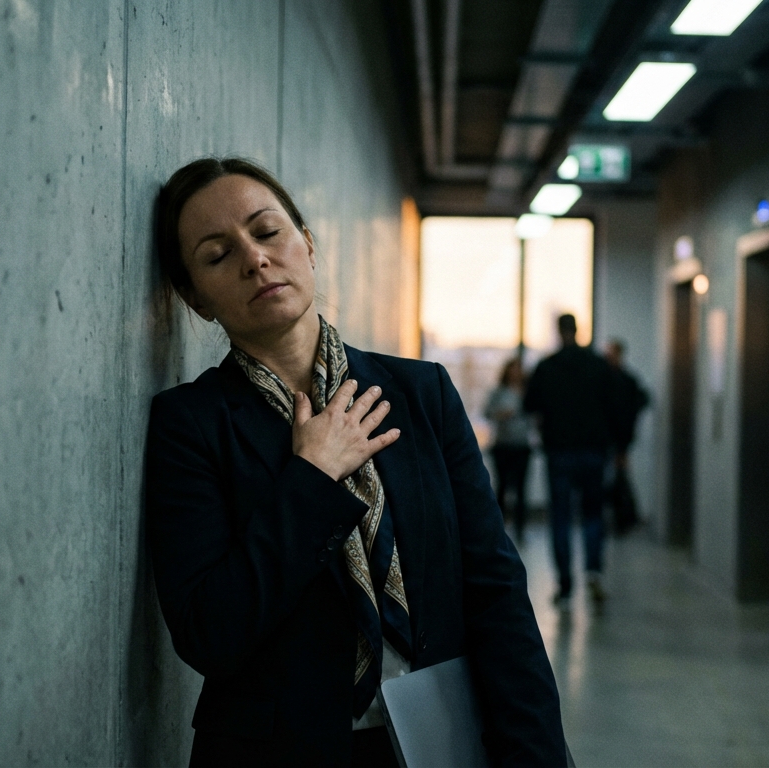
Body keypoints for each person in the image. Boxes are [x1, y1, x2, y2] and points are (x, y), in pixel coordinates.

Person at [145, 157, 567, 767]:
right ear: (196, 298)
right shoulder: (191, 425)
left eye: (267, 233)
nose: (254, 259)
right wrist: (311, 479)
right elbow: (210, 631)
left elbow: (494, 589)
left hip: (439, 740)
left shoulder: (421, 394)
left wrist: (539, 754)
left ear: (307, 245)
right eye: (217, 255)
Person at [523, 314, 615, 607]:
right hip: (593, 451)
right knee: (592, 514)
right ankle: (594, 571)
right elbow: (615, 404)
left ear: (558, 331)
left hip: (559, 451)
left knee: (560, 518)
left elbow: (530, 405)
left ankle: (565, 584)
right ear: (577, 330)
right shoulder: (598, 365)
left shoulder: (547, 367)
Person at [603, 339, 650, 536]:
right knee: (613, 482)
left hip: (616, 440)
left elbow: (640, 402)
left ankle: (622, 520)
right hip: (610, 440)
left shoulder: (623, 380)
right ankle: (619, 519)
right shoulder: (616, 379)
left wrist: (624, 443)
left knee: (617, 481)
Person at [485, 358, 531, 541]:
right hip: (503, 445)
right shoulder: (498, 392)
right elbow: (487, 412)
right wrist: (502, 414)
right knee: (502, 488)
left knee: (521, 490)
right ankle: (500, 528)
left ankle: (521, 530)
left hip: (522, 445)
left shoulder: (528, 393)